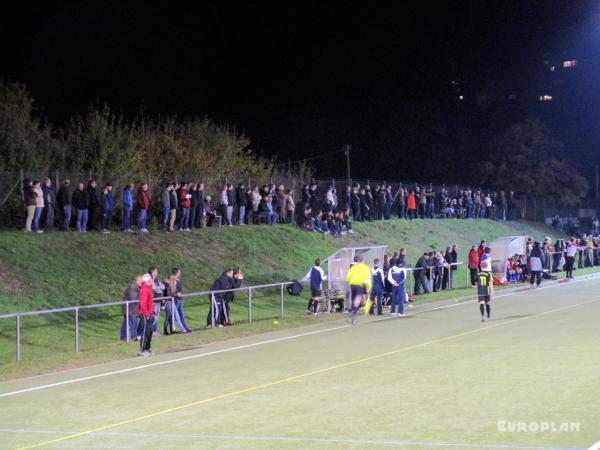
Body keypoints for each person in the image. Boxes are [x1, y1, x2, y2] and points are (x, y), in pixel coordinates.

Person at [345, 255, 372, 325]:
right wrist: (368, 288)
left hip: (352, 285)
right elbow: (368, 279)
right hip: (359, 284)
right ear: (362, 261)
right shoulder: (365, 267)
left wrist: (350, 281)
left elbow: (347, 277)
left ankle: (353, 314)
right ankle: (353, 315)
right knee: (358, 300)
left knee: (354, 299)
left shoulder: (353, 267)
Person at [120, 276, 141, 342]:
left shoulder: (136, 287)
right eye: (141, 281)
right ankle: (133, 337)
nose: (142, 282)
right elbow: (133, 298)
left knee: (126, 323)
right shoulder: (133, 287)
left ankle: (123, 337)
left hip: (131, 308)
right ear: (137, 280)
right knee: (133, 322)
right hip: (130, 308)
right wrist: (141, 296)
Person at [138, 273, 154, 356]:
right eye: (150, 280)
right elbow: (143, 304)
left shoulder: (148, 289)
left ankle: (147, 348)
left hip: (149, 314)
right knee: (144, 332)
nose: (152, 281)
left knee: (149, 332)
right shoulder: (144, 289)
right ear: (147, 281)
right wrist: (147, 314)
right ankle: (142, 349)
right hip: (145, 314)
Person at [149, 266, 165, 336]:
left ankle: (154, 331)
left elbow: (163, 286)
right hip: (154, 300)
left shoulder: (156, 280)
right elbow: (153, 288)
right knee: (154, 316)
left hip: (158, 299)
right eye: (156, 271)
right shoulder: (149, 279)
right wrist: (158, 288)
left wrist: (158, 288)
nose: (157, 272)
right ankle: (151, 331)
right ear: (152, 272)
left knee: (157, 316)